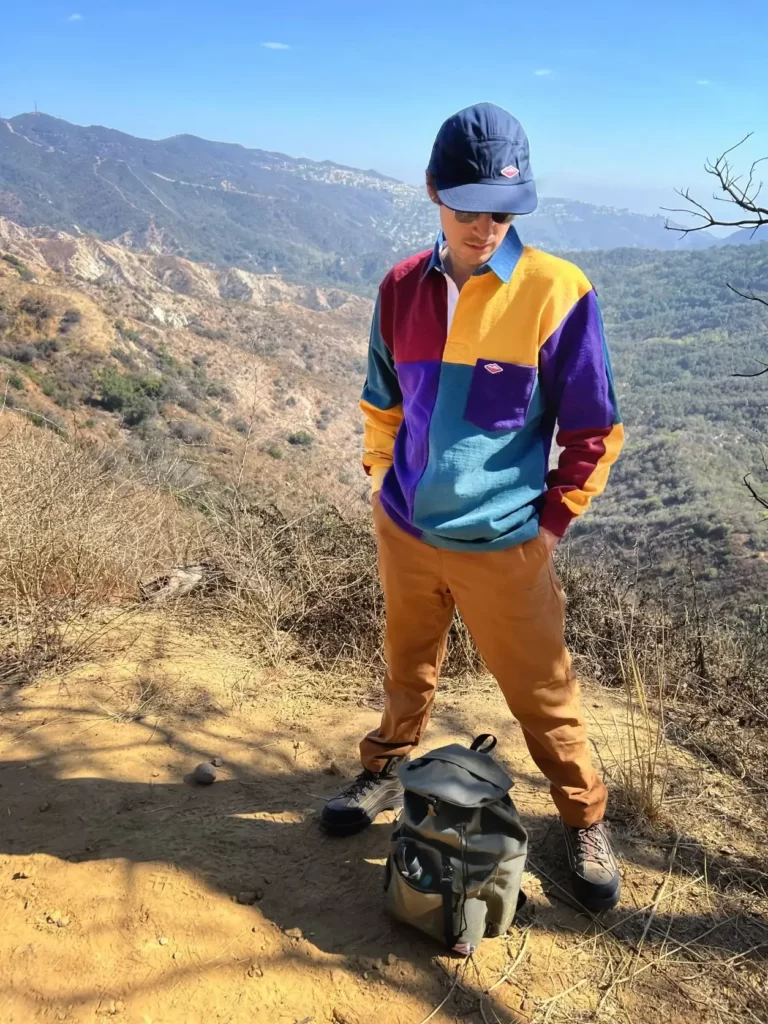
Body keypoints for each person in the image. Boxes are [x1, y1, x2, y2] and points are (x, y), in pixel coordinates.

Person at [321, 103, 624, 911]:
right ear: (431, 191)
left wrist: (548, 529)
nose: (485, 227)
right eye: (468, 207)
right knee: (406, 668)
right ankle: (384, 771)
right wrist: (381, 478)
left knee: (543, 693)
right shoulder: (397, 289)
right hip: (407, 530)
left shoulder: (559, 292)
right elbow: (382, 401)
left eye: (502, 210)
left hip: (506, 543)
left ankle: (583, 817)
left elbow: (595, 429)